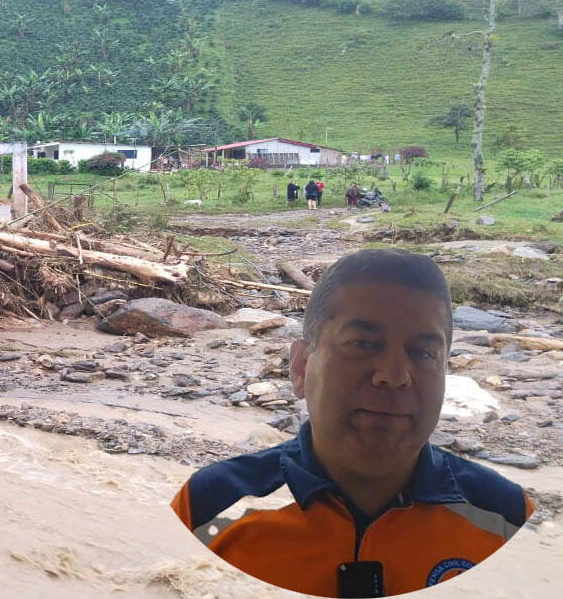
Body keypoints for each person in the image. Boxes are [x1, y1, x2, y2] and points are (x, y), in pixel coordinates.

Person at [170, 249, 533, 598]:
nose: (394, 375)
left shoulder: (507, 518)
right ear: (300, 368)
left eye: (423, 353)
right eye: (362, 343)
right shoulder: (206, 509)